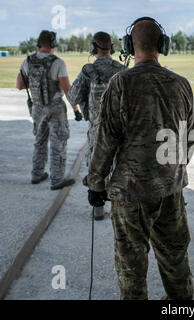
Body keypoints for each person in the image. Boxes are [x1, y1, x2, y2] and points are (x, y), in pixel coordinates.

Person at [84, 17, 194, 300]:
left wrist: (96, 182)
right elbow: (189, 138)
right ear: (162, 46)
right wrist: (171, 170)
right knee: (175, 260)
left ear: (128, 47)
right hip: (170, 190)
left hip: (130, 193)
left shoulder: (120, 83)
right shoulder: (181, 84)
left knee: (132, 268)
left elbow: (106, 138)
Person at [67, 32, 126, 220]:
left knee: (95, 167)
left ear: (93, 48)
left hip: (97, 132)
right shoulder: (123, 70)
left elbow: (72, 97)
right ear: (112, 48)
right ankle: (119, 210)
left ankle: (98, 209)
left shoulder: (88, 71)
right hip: (120, 132)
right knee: (119, 167)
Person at [16, 30, 82, 190]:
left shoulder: (28, 61)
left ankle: (36, 174)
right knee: (58, 142)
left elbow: (19, 85)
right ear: (53, 44)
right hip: (55, 108)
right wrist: (76, 110)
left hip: (37, 108)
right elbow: (68, 90)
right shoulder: (58, 63)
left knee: (39, 141)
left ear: (39, 43)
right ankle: (57, 179)